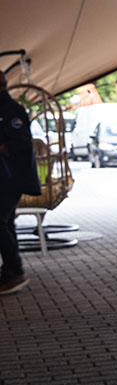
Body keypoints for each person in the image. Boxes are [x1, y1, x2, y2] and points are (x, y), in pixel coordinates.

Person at [0, 70, 41, 295]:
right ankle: (10, 271)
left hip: (11, 178)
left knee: (0, 222)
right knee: (6, 223)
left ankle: (15, 270)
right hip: (4, 177)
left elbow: (23, 142)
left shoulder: (10, 110)